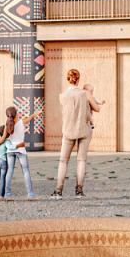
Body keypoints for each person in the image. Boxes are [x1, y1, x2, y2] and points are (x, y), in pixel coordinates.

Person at [51, 68, 103, 198]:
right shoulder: (85, 94)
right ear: (78, 79)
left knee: (63, 161)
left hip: (68, 131)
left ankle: (58, 191)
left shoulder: (62, 96)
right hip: (84, 130)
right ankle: (79, 191)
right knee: (81, 161)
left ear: (67, 79)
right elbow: (96, 109)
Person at [4, 106, 44, 198]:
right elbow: (30, 117)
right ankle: (30, 193)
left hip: (10, 150)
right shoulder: (22, 122)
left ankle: (7, 193)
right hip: (21, 150)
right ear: (16, 114)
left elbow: (5, 138)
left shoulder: (7, 125)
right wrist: (35, 114)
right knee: (25, 171)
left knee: (9, 171)